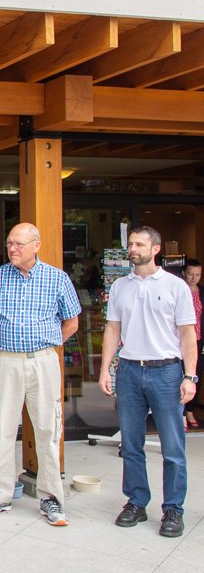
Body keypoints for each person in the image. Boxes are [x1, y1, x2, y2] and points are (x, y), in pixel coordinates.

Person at [0, 223, 81, 525]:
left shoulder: (57, 278)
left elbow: (72, 322)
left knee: (49, 429)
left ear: (36, 245)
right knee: (2, 429)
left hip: (43, 361)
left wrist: (47, 343)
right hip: (5, 361)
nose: (12, 249)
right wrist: (10, 341)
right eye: (9, 243)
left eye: (19, 244)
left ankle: (51, 499)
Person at [99, 226, 194, 538]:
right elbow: (113, 329)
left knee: (173, 447)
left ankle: (173, 509)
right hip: (129, 370)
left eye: (139, 244)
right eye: (130, 244)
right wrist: (105, 369)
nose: (133, 249)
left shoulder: (176, 286)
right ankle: (136, 502)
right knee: (131, 444)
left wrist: (190, 376)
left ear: (156, 249)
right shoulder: (120, 287)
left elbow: (187, 334)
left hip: (167, 372)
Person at [182, 258, 203, 428]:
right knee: (178, 376)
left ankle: (190, 410)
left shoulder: (202, 292)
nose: (194, 278)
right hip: (179, 341)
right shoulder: (178, 290)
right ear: (184, 273)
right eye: (190, 274)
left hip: (198, 340)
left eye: (197, 275)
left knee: (196, 376)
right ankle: (180, 413)